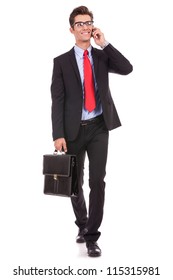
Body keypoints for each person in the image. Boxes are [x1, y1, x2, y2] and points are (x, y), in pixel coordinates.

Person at [50, 6, 133, 257]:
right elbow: (58, 100)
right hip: (73, 130)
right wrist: (58, 134)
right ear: (71, 29)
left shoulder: (101, 56)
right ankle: (82, 223)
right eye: (80, 24)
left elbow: (127, 68)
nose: (85, 27)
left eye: (89, 23)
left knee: (97, 181)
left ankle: (92, 236)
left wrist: (104, 43)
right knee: (74, 183)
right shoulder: (61, 62)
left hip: (99, 127)